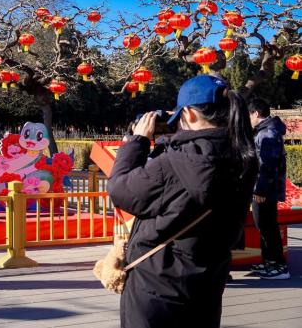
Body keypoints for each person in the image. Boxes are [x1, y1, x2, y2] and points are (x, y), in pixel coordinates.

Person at [108, 75, 258, 328]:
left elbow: (120, 190)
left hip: (158, 287)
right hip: (208, 282)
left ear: (187, 114)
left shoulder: (177, 163)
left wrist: (138, 142)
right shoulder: (242, 157)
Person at [248, 98, 289, 279]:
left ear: (256, 113)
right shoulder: (266, 130)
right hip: (266, 188)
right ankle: (270, 262)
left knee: (267, 226)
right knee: (265, 225)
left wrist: (260, 190)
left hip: (265, 190)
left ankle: (279, 266)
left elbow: (267, 165)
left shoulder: (267, 133)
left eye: (249, 115)